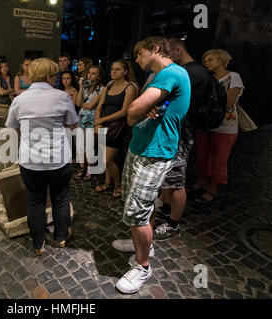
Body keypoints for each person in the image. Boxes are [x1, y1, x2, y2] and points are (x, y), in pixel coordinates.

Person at [112, 36, 191, 294]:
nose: (136, 59)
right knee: (140, 206)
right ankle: (144, 245)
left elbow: (133, 110)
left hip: (154, 153)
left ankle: (143, 266)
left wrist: (138, 113)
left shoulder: (171, 73)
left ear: (155, 49)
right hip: (141, 148)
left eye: (139, 53)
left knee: (137, 211)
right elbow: (140, 113)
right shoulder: (160, 76)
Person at [5, 58, 78, 256]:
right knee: (60, 198)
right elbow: (73, 125)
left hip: (30, 160)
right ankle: (61, 238)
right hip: (58, 159)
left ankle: (39, 245)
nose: (56, 79)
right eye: (55, 75)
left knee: (35, 201)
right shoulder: (62, 97)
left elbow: (12, 128)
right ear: (49, 77)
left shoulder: (20, 99)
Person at [152, 38, 212, 240]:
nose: (168, 58)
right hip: (178, 132)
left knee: (177, 181)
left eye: (169, 53)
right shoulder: (188, 71)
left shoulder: (192, 72)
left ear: (179, 50)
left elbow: (178, 103)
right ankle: (168, 211)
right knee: (170, 179)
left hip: (182, 133)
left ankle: (173, 224)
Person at [190, 49, 244, 204]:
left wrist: (206, 100)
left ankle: (212, 188)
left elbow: (230, 100)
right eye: (205, 60)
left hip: (225, 126)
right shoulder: (208, 78)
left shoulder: (233, 77)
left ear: (221, 60)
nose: (206, 62)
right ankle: (202, 181)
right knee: (202, 155)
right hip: (205, 123)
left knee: (219, 159)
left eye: (210, 59)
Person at [93, 60, 138, 198]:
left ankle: (118, 185)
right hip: (104, 125)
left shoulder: (130, 87)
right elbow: (100, 105)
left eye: (118, 69)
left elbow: (124, 111)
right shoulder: (109, 85)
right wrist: (97, 121)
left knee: (108, 159)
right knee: (103, 158)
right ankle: (108, 182)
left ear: (125, 72)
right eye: (112, 69)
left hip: (118, 128)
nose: (114, 71)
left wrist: (102, 120)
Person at [74, 66, 105, 181]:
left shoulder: (101, 89)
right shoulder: (85, 87)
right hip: (81, 119)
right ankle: (82, 168)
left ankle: (90, 168)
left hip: (92, 121)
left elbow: (91, 105)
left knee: (90, 146)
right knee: (80, 145)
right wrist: (81, 87)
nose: (90, 75)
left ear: (99, 76)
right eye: (89, 73)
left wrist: (83, 103)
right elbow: (78, 103)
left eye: (93, 73)